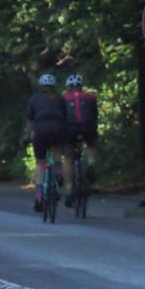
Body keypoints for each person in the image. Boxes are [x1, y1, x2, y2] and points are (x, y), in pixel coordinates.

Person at [26, 74, 67, 212]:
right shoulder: (61, 98)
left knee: (40, 162)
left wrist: (27, 136)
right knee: (56, 152)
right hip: (58, 129)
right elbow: (65, 117)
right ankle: (58, 174)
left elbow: (30, 120)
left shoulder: (34, 99)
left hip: (40, 130)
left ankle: (38, 197)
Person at [61, 73, 99, 206]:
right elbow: (94, 116)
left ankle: (69, 191)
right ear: (81, 86)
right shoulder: (90, 98)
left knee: (68, 157)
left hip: (69, 129)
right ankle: (91, 164)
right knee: (92, 145)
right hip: (87, 127)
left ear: (68, 87)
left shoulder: (63, 98)